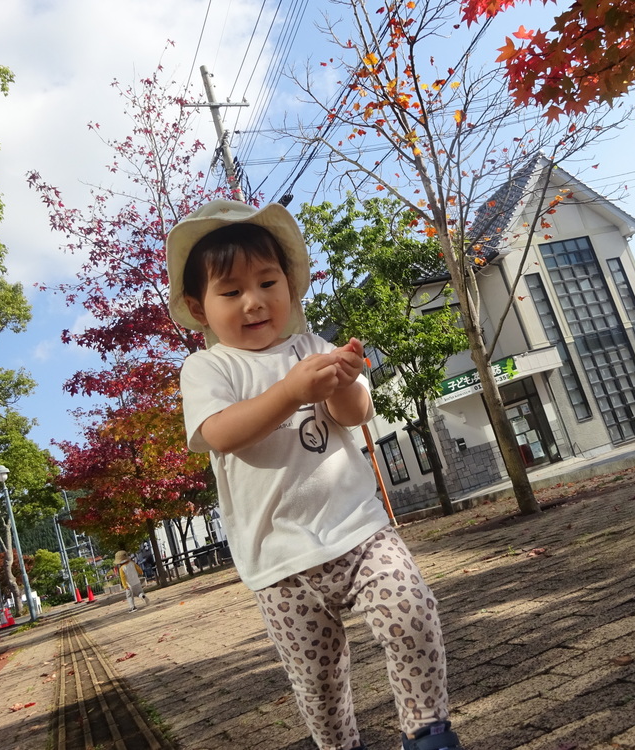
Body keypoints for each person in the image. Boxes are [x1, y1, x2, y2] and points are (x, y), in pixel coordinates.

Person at [167, 200, 464, 750]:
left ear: (290, 284)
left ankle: (427, 731)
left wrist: (346, 381)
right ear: (198, 308)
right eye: (231, 292)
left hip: (358, 529)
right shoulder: (208, 367)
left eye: (267, 282)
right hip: (280, 560)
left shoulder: (311, 348)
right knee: (319, 683)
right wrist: (289, 392)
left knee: (412, 612)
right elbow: (221, 433)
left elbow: (356, 414)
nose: (254, 301)